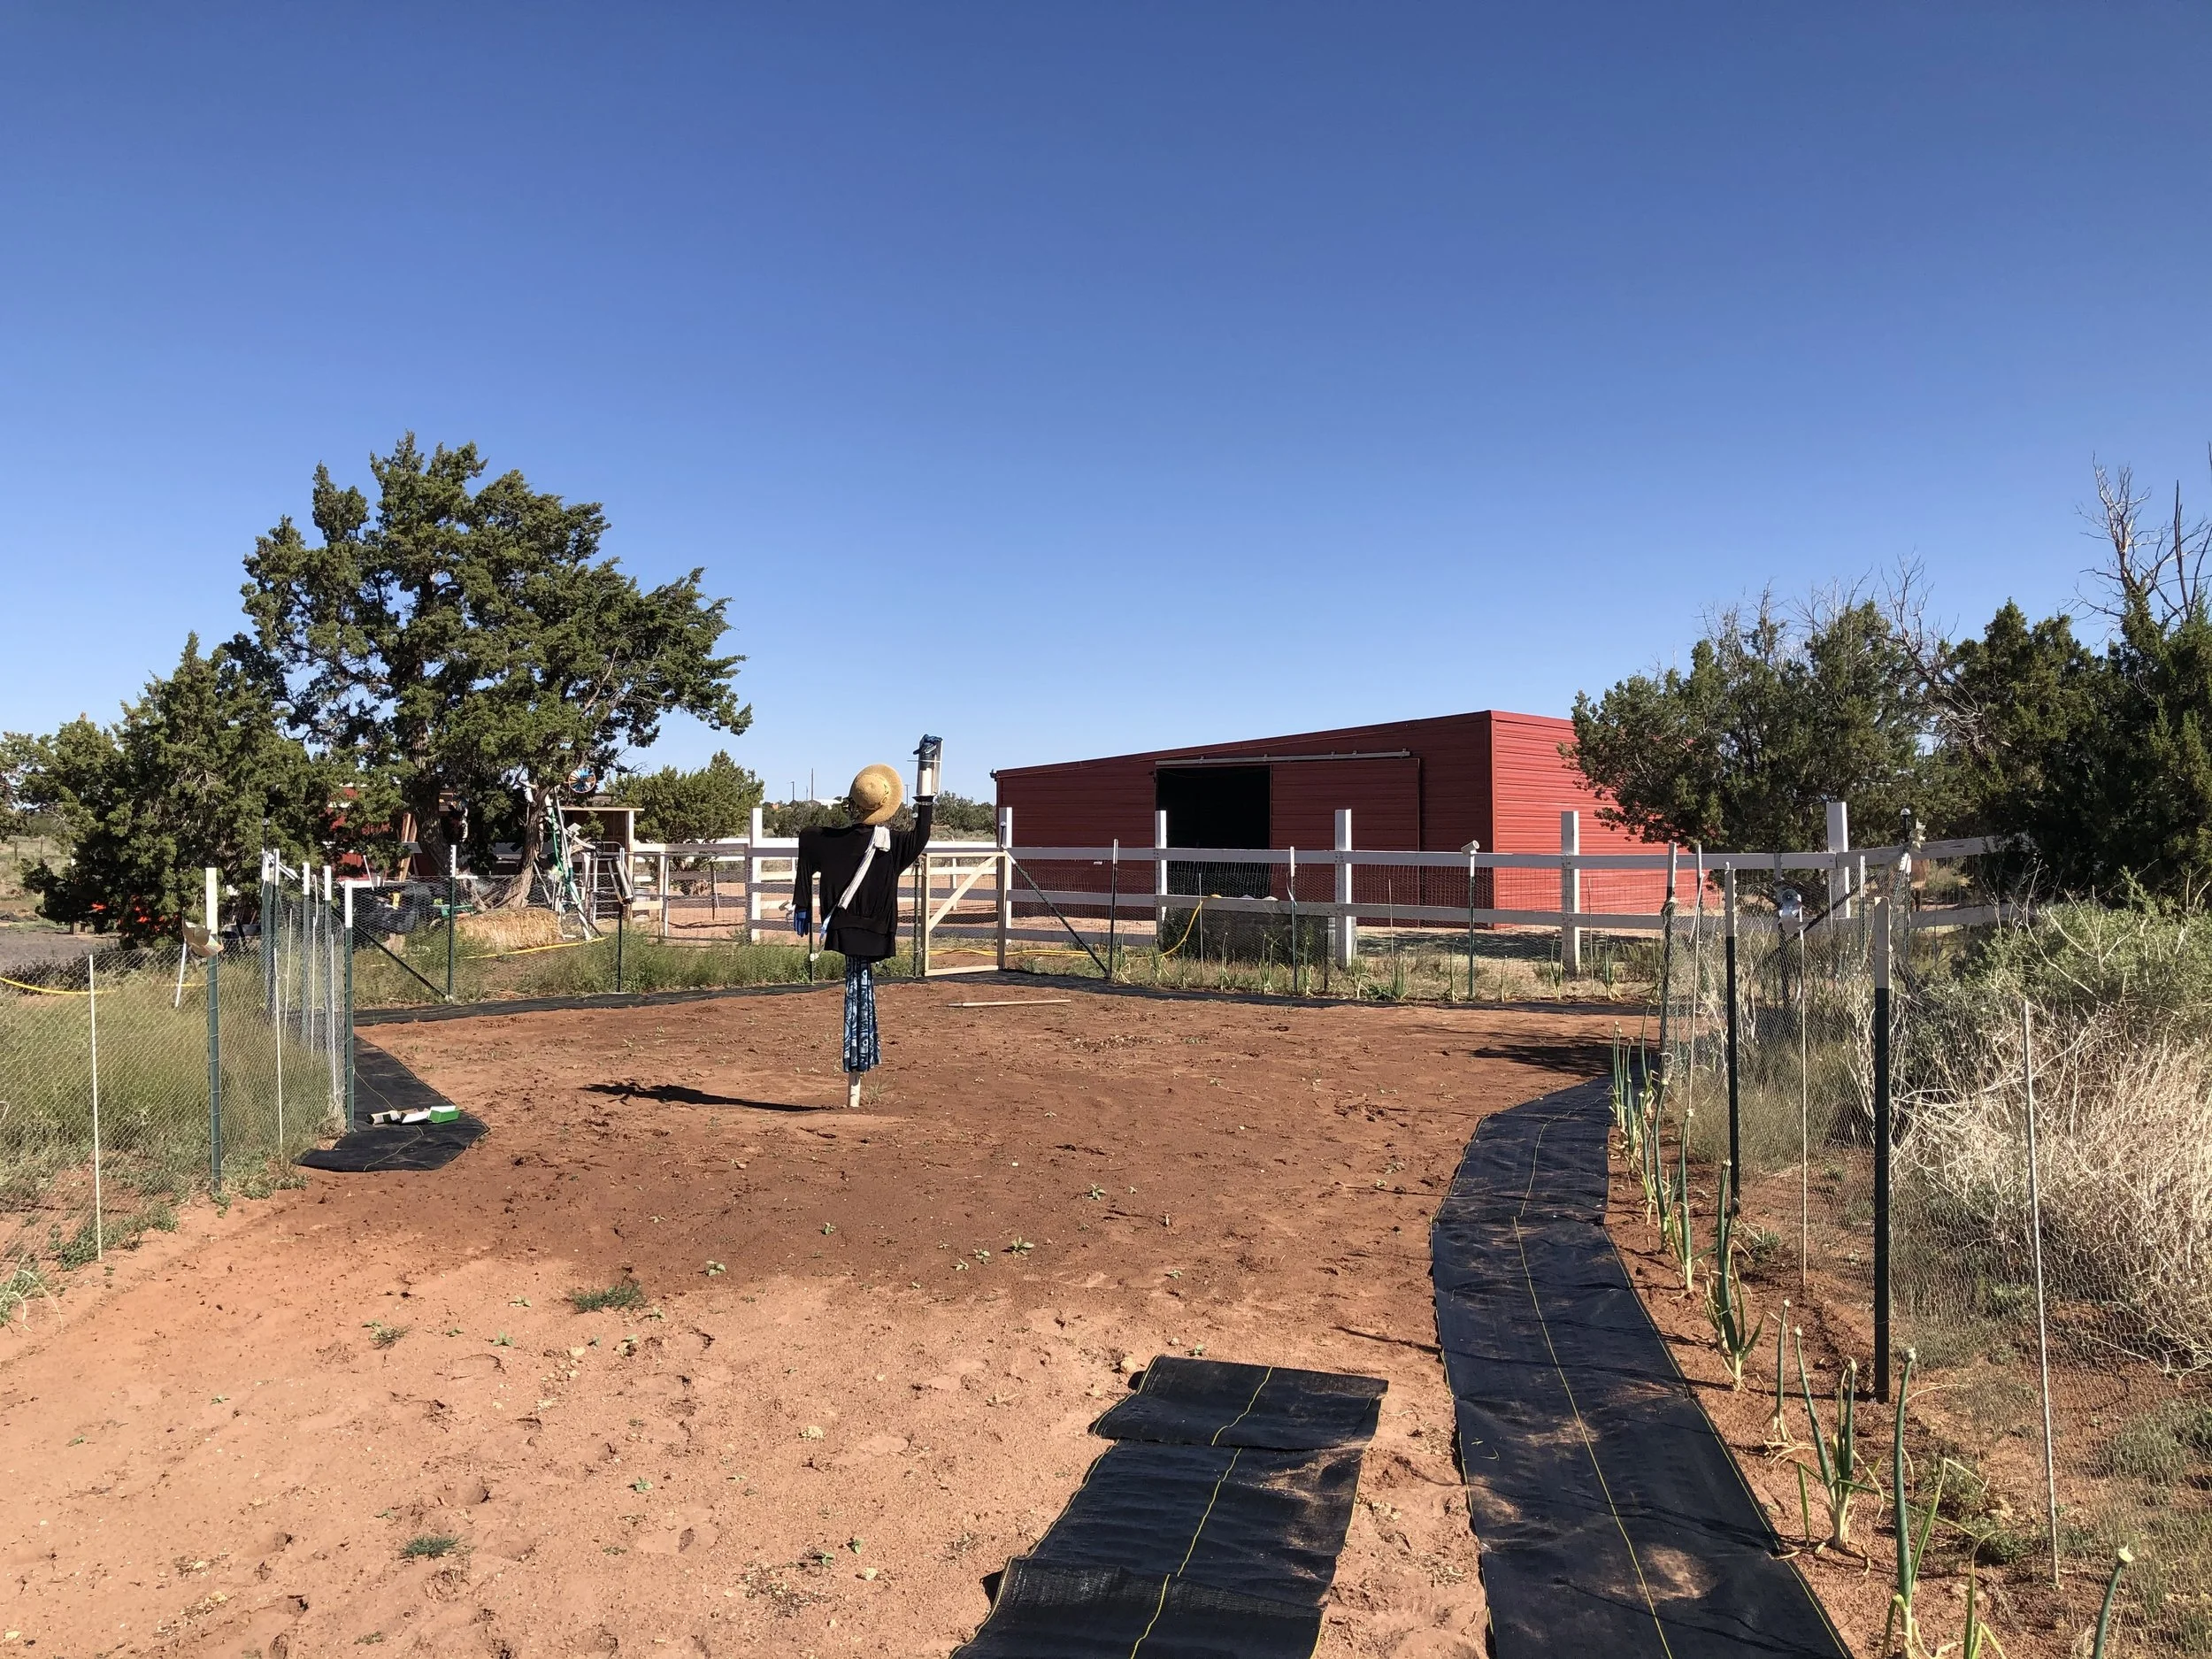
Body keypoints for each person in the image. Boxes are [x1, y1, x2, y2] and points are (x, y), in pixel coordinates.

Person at [792, 764, 933, 1106]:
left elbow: (807, 840)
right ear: (885, 804)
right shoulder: (892, 845)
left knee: (855, 994)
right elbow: (922, 834)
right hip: (875, 930)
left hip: (841, 929)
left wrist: (803, 904)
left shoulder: (825, 841)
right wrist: (927, 793)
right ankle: (859, 1066)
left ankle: (856, 1071)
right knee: (860, 993)